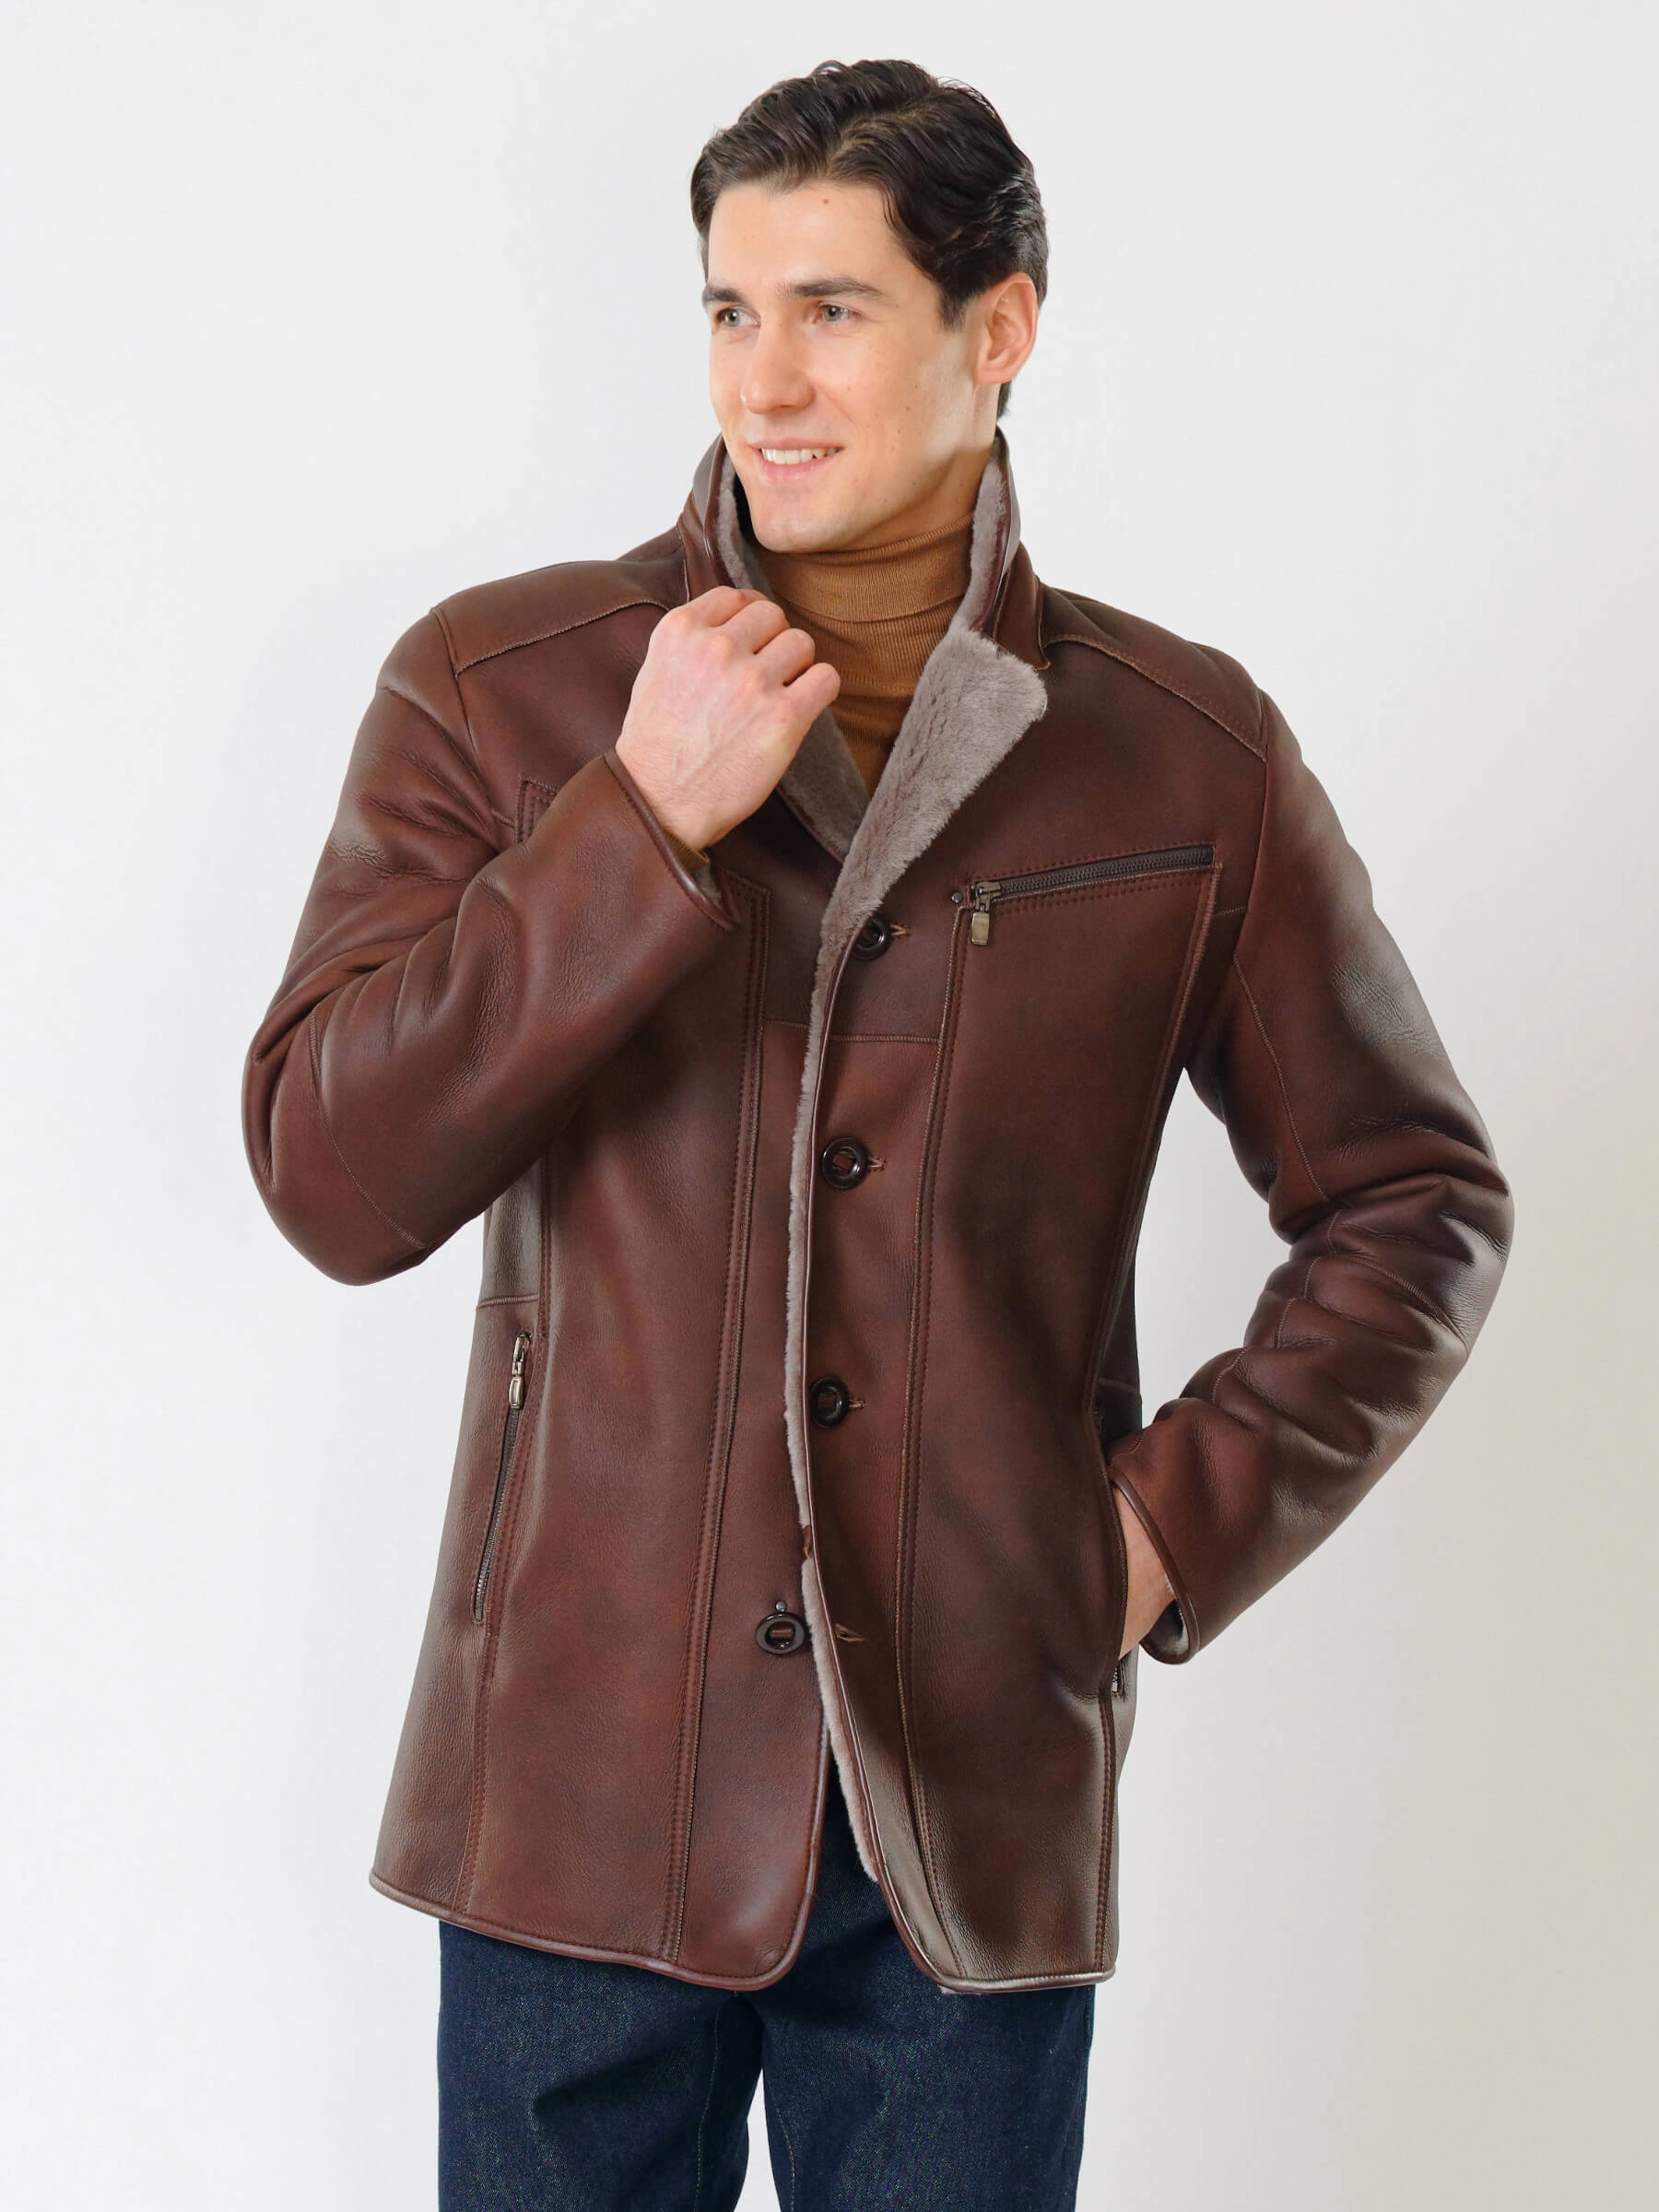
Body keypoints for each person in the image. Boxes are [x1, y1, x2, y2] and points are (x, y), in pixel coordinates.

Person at [241, 57, 1512, 2212]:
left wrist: (1155, 1535)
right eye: (730, 311)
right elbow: (330, 1178)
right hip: (572, 1788)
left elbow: (1415, 1203)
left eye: (830, 310)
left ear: (997, 329)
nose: (766, 380)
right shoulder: (505, 689)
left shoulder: (1183, 759)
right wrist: (634, 826)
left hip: (967, 1798)